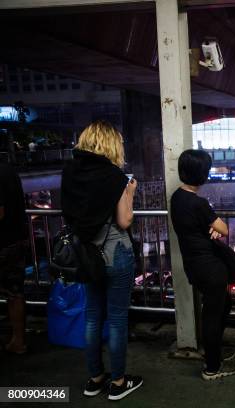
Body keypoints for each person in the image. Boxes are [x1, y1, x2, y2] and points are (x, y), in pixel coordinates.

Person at [61, 120, 142, 400]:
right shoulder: (113, 176)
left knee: (93, 317)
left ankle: (95, 378)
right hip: (115, 253)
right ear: (111, 144)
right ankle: (118, 383)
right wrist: (129, 192)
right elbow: (124, 220)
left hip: (86, 254)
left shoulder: (70, 173)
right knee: (117, 318)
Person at [170, 149, 235, 381]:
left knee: (223, 305)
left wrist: (209, 227)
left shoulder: (177, 198)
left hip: (193, 264)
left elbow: (203, 227)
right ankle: (212, 367)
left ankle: (214, 351)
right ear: (202, 174)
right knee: (213, 313)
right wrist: (212, 226)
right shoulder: (199, 203)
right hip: (210, 266)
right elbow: (224, 229)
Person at [0, 163, 28, 355]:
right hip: (16, 240)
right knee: (15, 293)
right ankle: (19, 341)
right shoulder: (10, 171)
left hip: (2, 242)